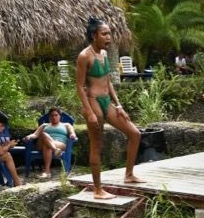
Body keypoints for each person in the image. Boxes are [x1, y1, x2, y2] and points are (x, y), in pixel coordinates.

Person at [76, 17, 141, 198]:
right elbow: (80, 86)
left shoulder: (104, 55)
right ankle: (98, 190)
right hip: (94, 102)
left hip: (107, 102)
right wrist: (89, 112)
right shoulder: (84, 56)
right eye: (104, 34)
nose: (109, 37)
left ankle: (129, 175)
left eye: (109, 34)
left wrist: (119, 105)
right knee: (97, 146)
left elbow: (108, 82)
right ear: (93, 35)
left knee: (135, 134)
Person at [24, 107, 78, 179]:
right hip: (47, 145)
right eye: (52, 115)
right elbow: (35, 135)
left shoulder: (66, 125)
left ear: (60, 116)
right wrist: (28, 137)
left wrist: (72, 136)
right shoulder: (44, 125)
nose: (54, 117)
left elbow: (73, 133)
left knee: (47, 146)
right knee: (43, 134)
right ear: (49, 116)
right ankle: (55, 150)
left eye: (56, 115)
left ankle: (47, 172)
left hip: (60, 143)